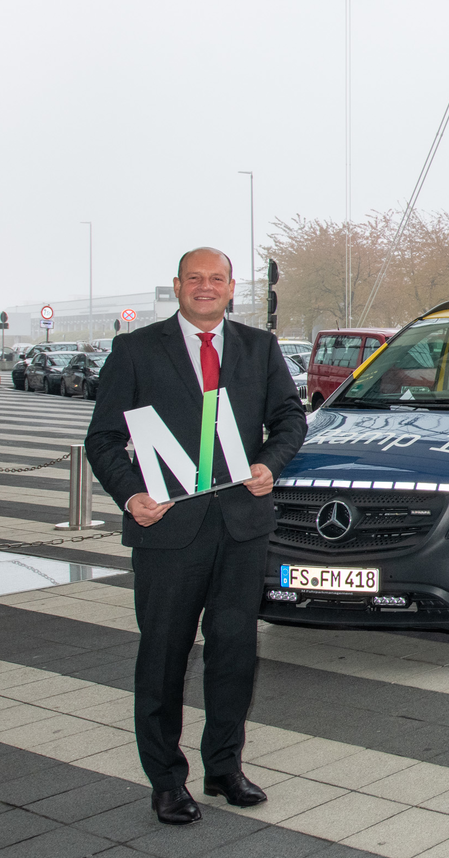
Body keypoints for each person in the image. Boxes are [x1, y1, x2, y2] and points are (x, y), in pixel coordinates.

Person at [85, 247, 306, 825]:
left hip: (241, 527)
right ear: (177, 285)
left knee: (234, 654)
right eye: (194, 278)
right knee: (163, 657)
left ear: (232, 288)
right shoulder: (136, 350)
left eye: (216, 279)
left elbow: (290, 418)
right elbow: (102, 438)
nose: (205, 287)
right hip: (167, 531)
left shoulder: (259, 347)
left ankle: (224, 767)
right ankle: (165, 780)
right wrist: (132, 496)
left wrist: (270, 464)